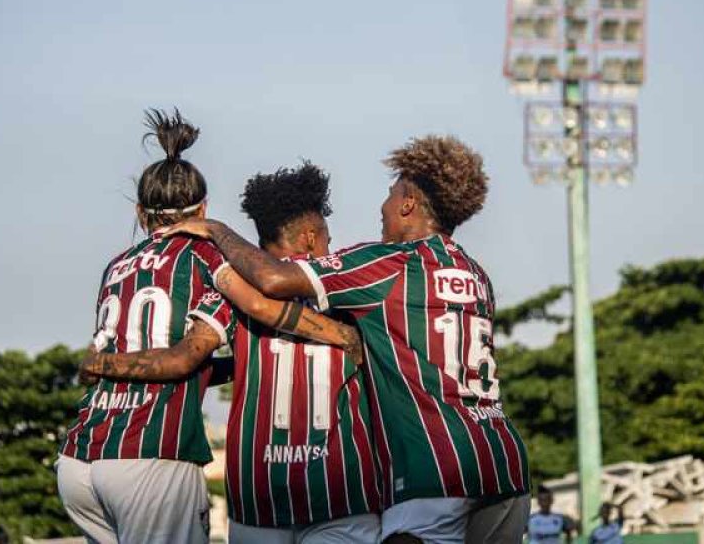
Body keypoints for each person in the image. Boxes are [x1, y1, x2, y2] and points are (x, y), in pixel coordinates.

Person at [167, 135, 531, 543]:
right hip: (504, 462)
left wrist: (216, 231)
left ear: (408, 202)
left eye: (391, 195)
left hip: (434, 471)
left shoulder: (388, 263)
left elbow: (272, 281)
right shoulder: (476, 274)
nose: (383, 207)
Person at [58, 111, 360, 544]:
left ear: (141, 213)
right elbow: (194, 350)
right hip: (149, 453)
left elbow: (158, 351)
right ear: (202, 209)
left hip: (79, 462)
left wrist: (239, 364)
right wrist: (340, 335)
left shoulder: (117, 266)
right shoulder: (206, 258)